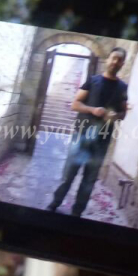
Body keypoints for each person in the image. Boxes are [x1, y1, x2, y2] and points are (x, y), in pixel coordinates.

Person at [47, 47, 131, 217]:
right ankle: (54, 204)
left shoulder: (123, 87)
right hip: (81, 135)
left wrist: (116, 115)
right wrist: (93, 110)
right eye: (114, 58)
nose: (116, 62)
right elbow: (75, 104)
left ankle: (77, 213)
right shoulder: (92, 81)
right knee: (68, 174)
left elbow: (123, 113)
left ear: (122, 64)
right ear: (108, 59)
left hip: (102, 140)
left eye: (120, 60)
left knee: (89, 180)